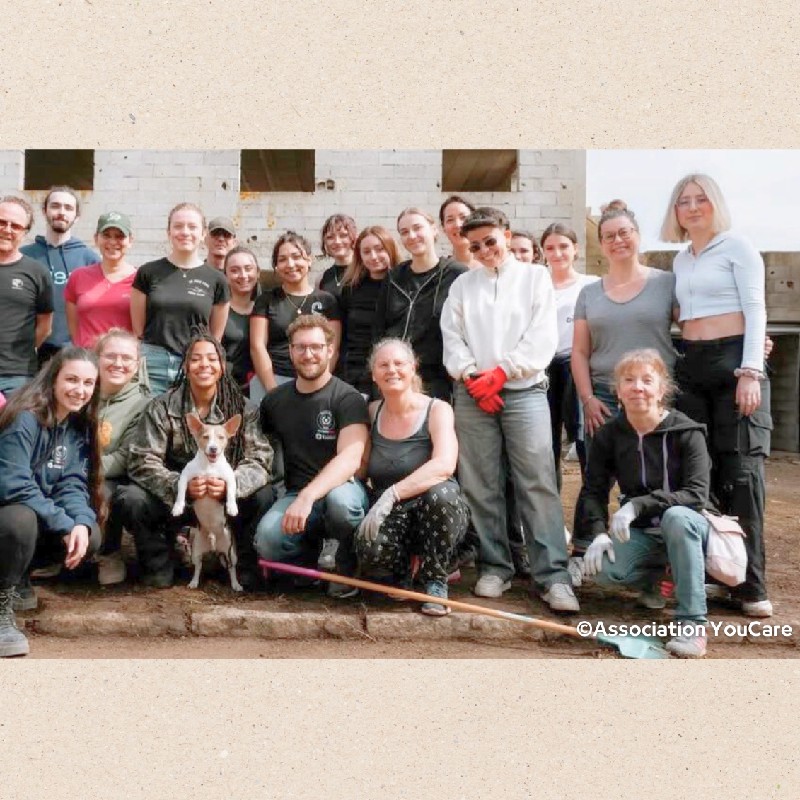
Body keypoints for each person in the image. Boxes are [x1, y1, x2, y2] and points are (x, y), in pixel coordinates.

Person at [440, 207, 579, 612]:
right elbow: (452, 336)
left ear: (506, 233)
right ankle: (495, 566)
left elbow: (542, 336)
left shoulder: (535, 278)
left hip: (523, 391)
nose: (485, 251)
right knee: (481, 482)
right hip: (473, 394)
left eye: (490, 241)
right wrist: (472, 377)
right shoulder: (463, 285)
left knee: (537, 480)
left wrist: (502, 373)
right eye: (475, 246)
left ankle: (552, 575)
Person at [661, 173, 773, 617]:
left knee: (742, 473)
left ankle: (752, 586)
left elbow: (756, 308)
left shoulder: (738, 247)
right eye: (684, 201)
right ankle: (718, 574)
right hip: (692, 366)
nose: (692, 207)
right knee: (700, 474)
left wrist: (751, 370)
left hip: (734, 364)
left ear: (715, 204)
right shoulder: (681, 259)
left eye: (700, 199)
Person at [580, 349, 713, 658]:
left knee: (676, 517)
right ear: (618, 390)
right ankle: (659, 578)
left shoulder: (687, 431)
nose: (637, 387)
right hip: (644, 531)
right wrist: (598, 533)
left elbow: (696, 494)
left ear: (662, 389)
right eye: (629, 380)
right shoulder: (610, 434)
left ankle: (692, 625)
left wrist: (637, 505)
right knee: (603, 570)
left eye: (647, 380)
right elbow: (593, 490)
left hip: (691, 528)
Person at [117, 331, 274, 589]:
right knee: (132, 498)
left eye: (212, 359)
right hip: (176, 500)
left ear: (222, 367)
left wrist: (230, 486)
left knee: (264, 495)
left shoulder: (243, 409)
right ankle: (160, 562)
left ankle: (242, 563)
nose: (204, 365)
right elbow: (141, 460)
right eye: (196, 359)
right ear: (185, 366)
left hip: (224, 502)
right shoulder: (161, 407)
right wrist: (179, 485)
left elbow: (260, 459)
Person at [570, 202, 677, 553]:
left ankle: (656, 553)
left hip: (654, 395)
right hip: (603, 395)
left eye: (624, 233)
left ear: (637, 236)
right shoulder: (589, 293)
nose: (618, 241)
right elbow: (580, 351)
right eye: (609, 236)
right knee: (596, 475)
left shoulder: (666, 283)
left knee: (659, 472)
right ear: (601, 244)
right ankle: (586, 547)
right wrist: (587, 399)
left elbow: (696, 326)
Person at [254, 314, 370, 598]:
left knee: (341, 505)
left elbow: (350, 459)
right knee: (268, 540)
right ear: (291, 351)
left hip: (343, 489)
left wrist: (307, 497)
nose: (308, 355)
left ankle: (346, 562)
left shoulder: (347, 398)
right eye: (301, 347)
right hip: (295, 494)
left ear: (330, 350)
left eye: (316, 347)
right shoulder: (274, 401)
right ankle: (307, 563)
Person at [0, 347, 104, 658]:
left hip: (31, 517)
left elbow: (72, 483)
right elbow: (13, 484)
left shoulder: (76, 424)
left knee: (90, 535)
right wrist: (62, 522)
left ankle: (18, 576)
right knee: (20, 520)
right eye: (72, 379)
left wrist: (80, 523)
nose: (80, 390)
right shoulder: (24, 418)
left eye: (88, 383)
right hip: (8, 516)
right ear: (53, 379)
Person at [355, 338, 469, 615]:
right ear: (373, 374)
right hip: (393, 513)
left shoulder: (437, 409)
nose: (392, 370)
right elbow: (361, 466)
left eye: (399, 363)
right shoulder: (371, 412)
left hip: (435, 510)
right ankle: (403, 572)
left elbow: (444, 464)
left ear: (413, 367)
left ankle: (435, 581)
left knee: (441, 495)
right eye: (383, 365)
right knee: (368, 547)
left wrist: (392, 493)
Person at [130, 203, 230, 395]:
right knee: (149, 413)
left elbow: (215, 337)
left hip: (194, 364)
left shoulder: (217, 280)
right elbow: (138, 329)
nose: (185, 232)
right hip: (152, 364)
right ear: (168, 232)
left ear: (203, 234)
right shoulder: (147, 272)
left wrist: (199, 358)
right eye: (178, 226)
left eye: (192, 227)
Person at [372, 207, 467, 401]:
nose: (412, 236)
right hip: (394, 377)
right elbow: (379, 329)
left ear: (434, 229)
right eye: (404, 232)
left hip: (436, 381)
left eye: (417, 228)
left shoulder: (456, 274)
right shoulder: (394, 277)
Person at [250, 231, 341, 402]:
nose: (290, 264)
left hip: (315, 382)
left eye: (296, 257)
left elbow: (333, 348)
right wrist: (273, 391)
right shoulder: (266, 300)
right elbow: (257, 346)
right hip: (272, 379)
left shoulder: (327, 301)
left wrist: (319, 386)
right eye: (282, 259)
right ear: (276, 266)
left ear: (309, 260)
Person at [541, 222, 599, 489]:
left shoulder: (591, 284)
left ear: (575, 249)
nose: (557, 253)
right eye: (550, 248)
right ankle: (551, 503)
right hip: (543, 367)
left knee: (583, 436)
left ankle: (591, 502)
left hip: (577, 365)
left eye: (563, 246)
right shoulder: (538, 285)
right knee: (547, 440)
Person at [94, 328, 151, 585]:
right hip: (73, 470)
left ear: (137, 364)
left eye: (126, 358)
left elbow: (124, 458)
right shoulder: (81, 392)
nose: (118, 363)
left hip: (114, 477)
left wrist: (84, 470)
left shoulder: (143, 404)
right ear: (97, 358)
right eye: (110, 356)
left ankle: (108, 552)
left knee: (104, 492)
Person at [21, 186, 99, 366]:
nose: (61, 212)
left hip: (75, 351)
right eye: (55, 206)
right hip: (30, 350)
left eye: (68, 208)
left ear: (77, 216)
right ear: (44, 210)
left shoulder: (90, 260)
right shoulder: (25, 256)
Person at [0, 196, 54, 396]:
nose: (7, 230)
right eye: (2, 222)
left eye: (15, 226)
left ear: (25, 232)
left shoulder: (37, 272)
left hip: (17, 377)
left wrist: (19, 353)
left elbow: (45, 327)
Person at [339, 226, 400, 396]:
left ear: (390, 249)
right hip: (355, 371)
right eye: (366, 252)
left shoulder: (402, 286)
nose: (373, 256)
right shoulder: (351, 289)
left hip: (392, 371)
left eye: (380, 249)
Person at [64, 212, 137, 348]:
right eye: (106, 235)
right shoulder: (78, 276)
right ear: (96, 239)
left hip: (121, 358)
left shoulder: (140, 280)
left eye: (119, 236)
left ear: (130, 241)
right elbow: (74, 329)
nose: (112, 242)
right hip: (87, 357)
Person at [221, 245, 260, 396]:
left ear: (258, 272)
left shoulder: (267, 308)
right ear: (225, 275)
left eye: (248, 269)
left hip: (261, 387)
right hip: (226, 389)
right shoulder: (218, 310)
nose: (243, 275)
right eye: (234, 270)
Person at [318, 213, 357, 308]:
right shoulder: (323, 278)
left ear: (353, 238)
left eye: (343, 235)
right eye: (330, 237)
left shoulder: (365, 272)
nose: (337, 241)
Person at [439, 195, 478, 268]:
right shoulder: (440, 271)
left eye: (463, 217)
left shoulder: (492, 266)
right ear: (443, 228)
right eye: (450, 220)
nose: (458, 225)